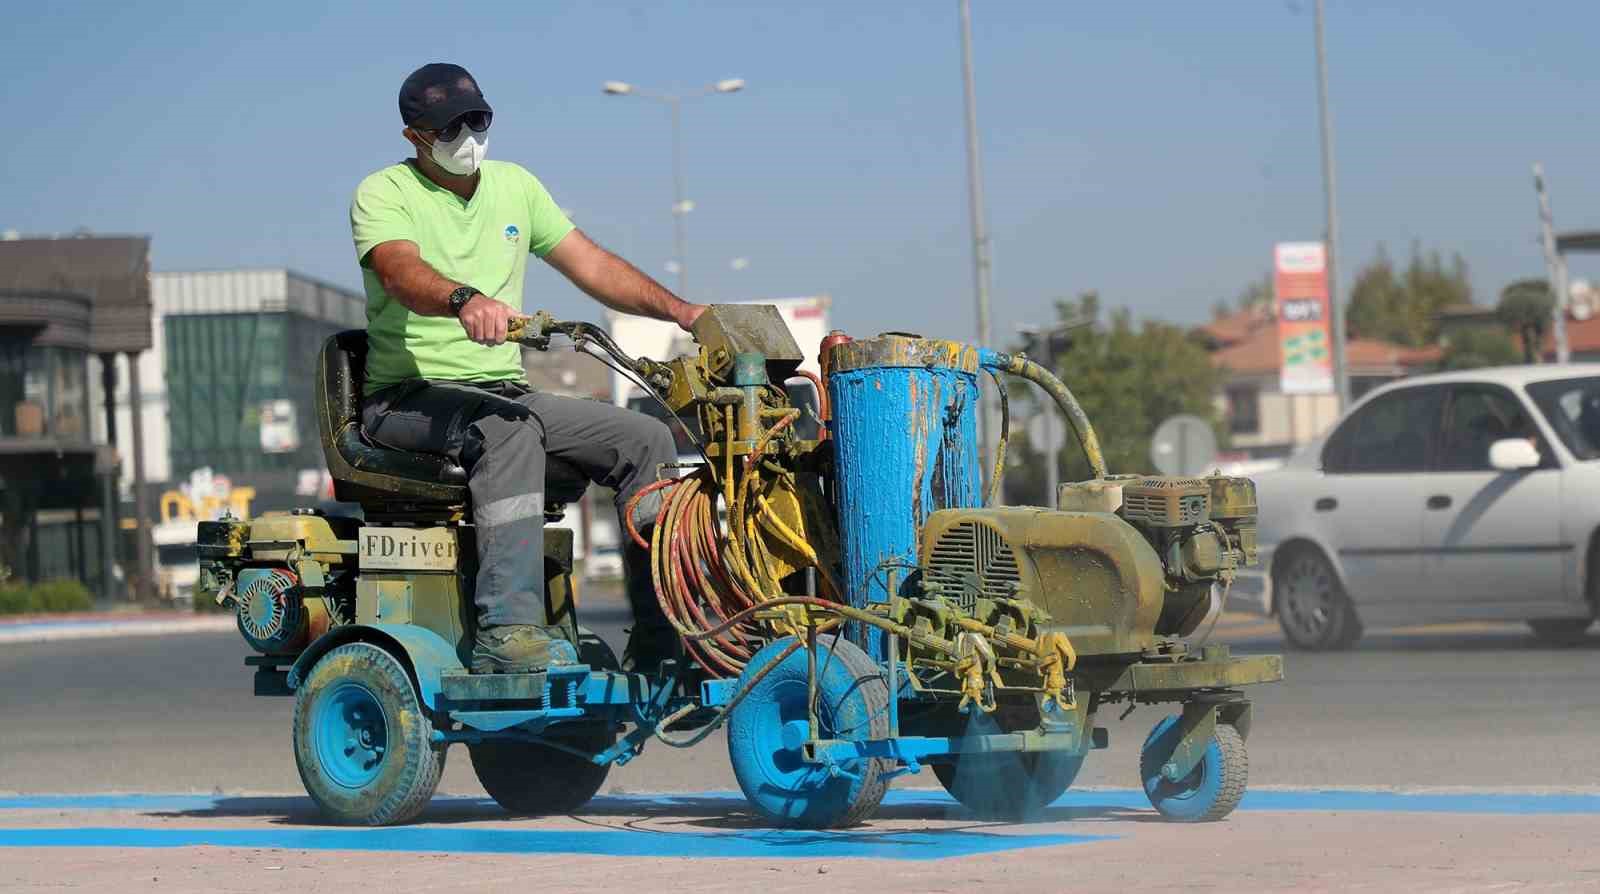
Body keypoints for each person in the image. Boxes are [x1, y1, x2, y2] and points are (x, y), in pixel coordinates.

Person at [349, 63, 702, 674]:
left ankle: (661, 635)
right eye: (451, 126)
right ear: (415, 137)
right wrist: (464, 300)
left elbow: (591, 265)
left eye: (478, 119)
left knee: (644, 438)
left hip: (501, 393)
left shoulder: (514, 187)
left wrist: (681, 310)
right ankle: (508, 629)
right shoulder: (384, 193)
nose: (469, 135)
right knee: (510, 431)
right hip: (408, 399)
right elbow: (398, 270)